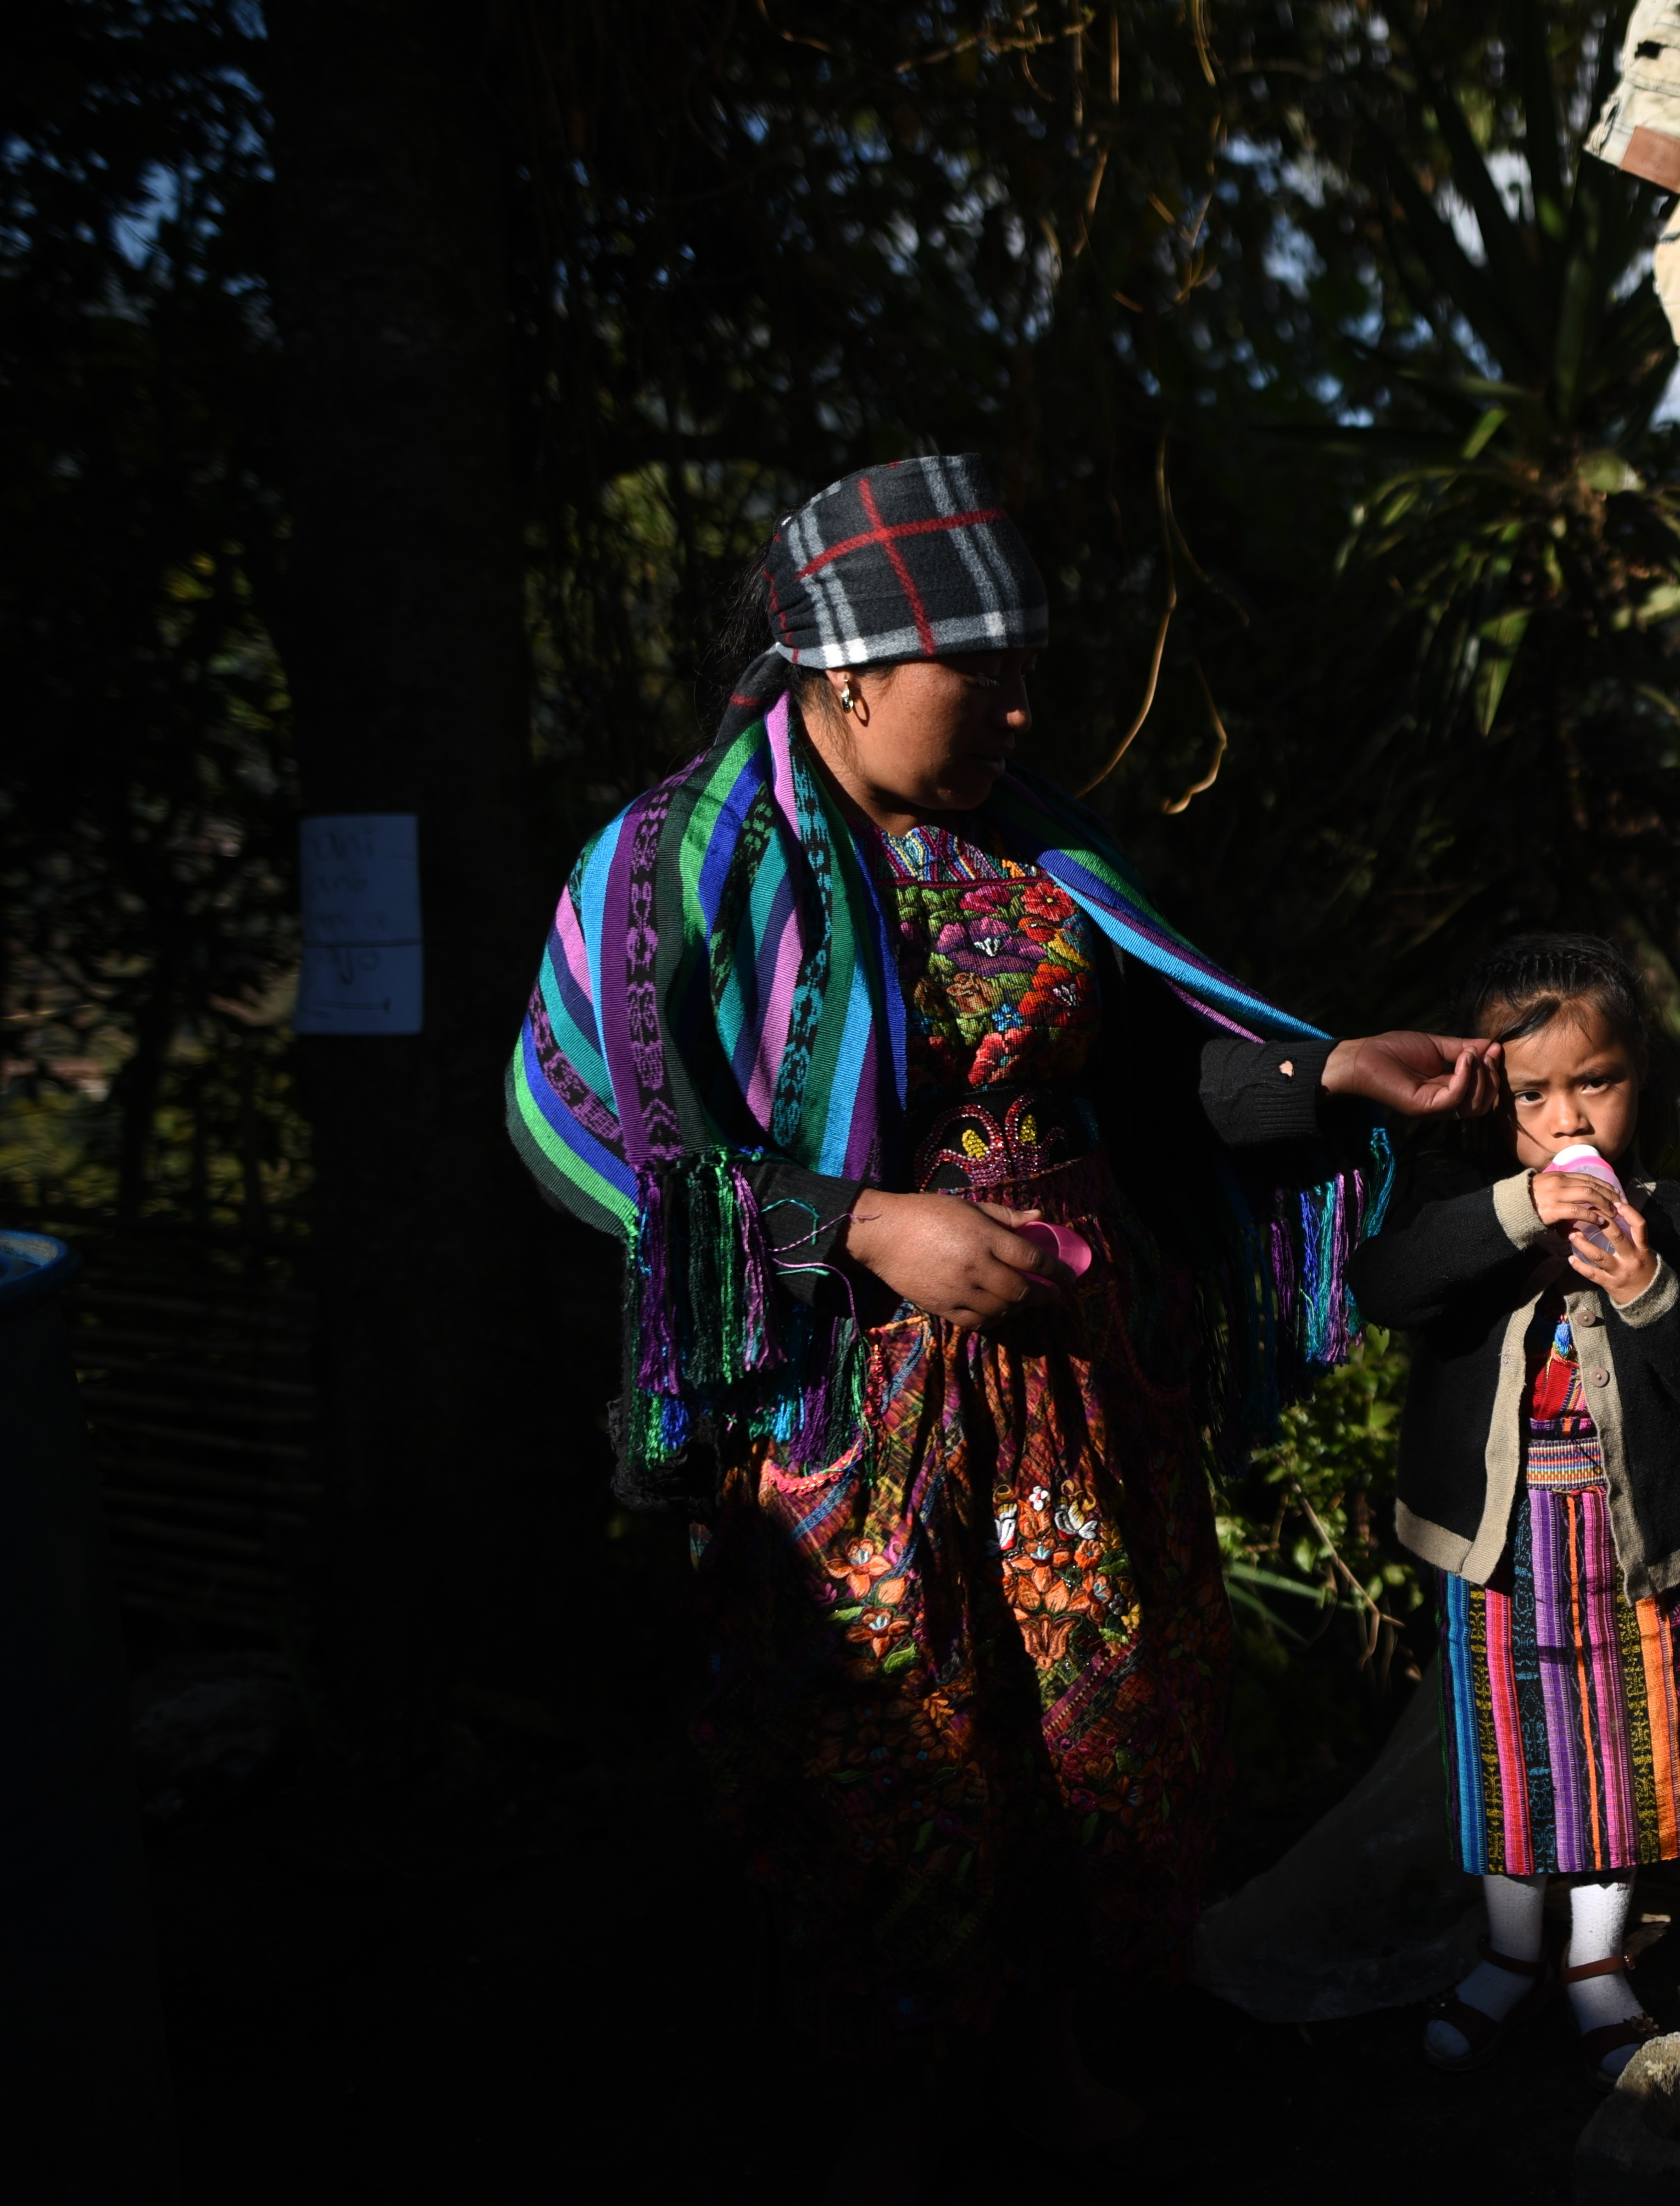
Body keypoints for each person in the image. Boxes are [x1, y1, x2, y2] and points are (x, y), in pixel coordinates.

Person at [505, 455, 1499, 2188]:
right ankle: (887, 2105)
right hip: (837, 1419)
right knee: (882, 1757)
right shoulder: (680, 864)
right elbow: (578, 1130)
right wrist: (868, 1223)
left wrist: (1320, 1072)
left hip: (1075, 1399)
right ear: (854, 675)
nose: (1028, 700)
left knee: (1092, 1729)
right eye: (988, 665)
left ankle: (1043, 2054)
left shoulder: (1027, 837)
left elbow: (1134, 1079)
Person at [1350, 934, 1680, 2082]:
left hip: (1637, 1548)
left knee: (1625, 1755)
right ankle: (1507, 1954)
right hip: (1501, 1549)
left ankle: (1593, 1963)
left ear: (1641, 1079)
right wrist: (1519, 1210)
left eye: (1597, 1082)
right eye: (1532, 1093)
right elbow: (1384, 1286)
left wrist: (1644, 1284)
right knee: (1510, 1754)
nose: (1568, 1117)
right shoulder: (1460, 1217)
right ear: (1488, 1099)